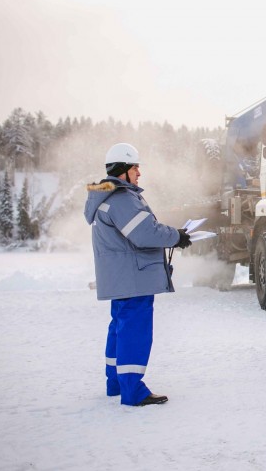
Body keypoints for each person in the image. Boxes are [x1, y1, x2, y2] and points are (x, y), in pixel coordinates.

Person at [84, 143, 192, 407]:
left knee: (120, 329)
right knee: (135, 331)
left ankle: (116, 383)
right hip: (134, 278)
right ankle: (133, 390)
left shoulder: (104, 198)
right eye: (135, 168)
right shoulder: (122, 199)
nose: (139, 173)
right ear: (123, 170)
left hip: (121, 278)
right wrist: (176, 236)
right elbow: (145, 233)